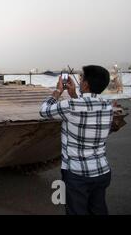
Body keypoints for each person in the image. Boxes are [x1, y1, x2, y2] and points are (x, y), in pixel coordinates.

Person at [39, 65, 113, 215]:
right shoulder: (108, 106)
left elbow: (44, 110)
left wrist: (58, 90)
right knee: (98, 210)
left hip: (77, 174)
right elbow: (86, 110)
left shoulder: (71, 106)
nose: (79, 81)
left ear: (85, 84)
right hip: (102, 171)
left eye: (81, 78)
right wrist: (74, 94)